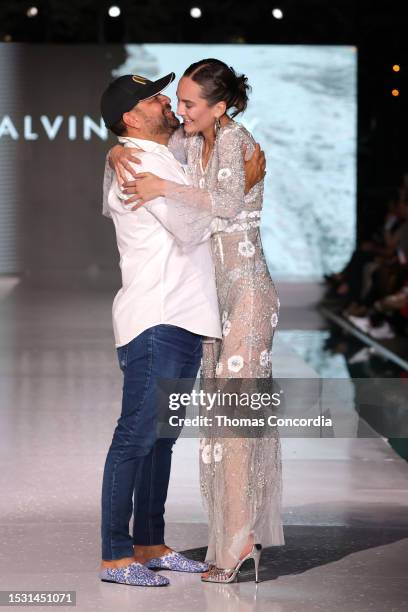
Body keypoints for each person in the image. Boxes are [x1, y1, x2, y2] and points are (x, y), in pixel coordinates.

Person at [109, 59, 285, 583]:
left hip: (248, 293)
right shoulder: (189, 140)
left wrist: (165, 191)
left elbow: (227, 204)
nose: (180, 111)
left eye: (189, 104)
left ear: (220, 107)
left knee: (234, 424)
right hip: (213, 299)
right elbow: (153, 151)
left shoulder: (235, 139)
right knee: (214, 426)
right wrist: (116, 147)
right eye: (178, 102)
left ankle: (239, 542)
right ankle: (231, 534)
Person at [98, 71, 224, 587]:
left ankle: (150, 542)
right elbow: (191, 226)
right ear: (130, 118)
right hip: (158, 317)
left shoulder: (148, 152)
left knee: (160, 440)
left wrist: (112, 150)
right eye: (152, 99)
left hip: (179, 316)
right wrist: (214, 204)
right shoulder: (139, 161)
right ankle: (115, 555)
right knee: (136, 437)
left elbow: (197, 131)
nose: (166, 102)